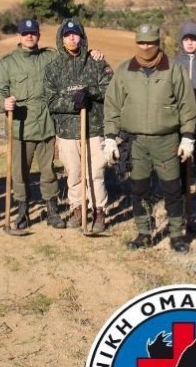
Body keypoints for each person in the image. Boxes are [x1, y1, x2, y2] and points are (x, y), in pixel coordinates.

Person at [103, 24, 196, 252]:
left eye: (151, 43)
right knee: (139, 189)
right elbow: (113, 105)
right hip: (135, 141)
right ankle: (144, 232)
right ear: (136, 43)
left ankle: (176, 234)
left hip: (166, 140)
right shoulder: (125, 70)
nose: (146, 47)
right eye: (141, 43)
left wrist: (187, 136)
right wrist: (109, 137)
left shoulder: (174, 70)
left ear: (158, 43)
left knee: (172, 189)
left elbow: (187, 105)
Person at [0, 19, 66, 231]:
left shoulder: (50, 57)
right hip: (20, 128)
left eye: (33, 32)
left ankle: (52, 211)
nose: (29, 36)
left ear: (39, 35)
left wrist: (93, 52)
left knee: (49, 172)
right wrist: (2, 103)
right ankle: (22, 212)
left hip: (46, 127)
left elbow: (71, 60)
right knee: (19, 173)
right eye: (25, 33)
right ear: (19, 36)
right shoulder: (7, 62)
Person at [44, 19, 112, 233]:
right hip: (67, 132)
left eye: (75, 34)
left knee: (95, 172)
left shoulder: (96, 61)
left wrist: (90, 94)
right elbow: (51, 100)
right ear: (61, 38)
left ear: (81, 37)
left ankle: (99, 212)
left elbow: (110, 89)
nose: (72, 38)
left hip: (93, 128)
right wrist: (73, 102)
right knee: (73, 173)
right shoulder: (53, 68)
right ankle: (78, 209)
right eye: (67, 35)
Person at [173, 21, 196, 232]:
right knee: (181, 170)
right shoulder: (174, 63)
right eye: (186, 39)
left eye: (193, 39)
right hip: (180, 125)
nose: (189, 43)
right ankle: (184, 213)